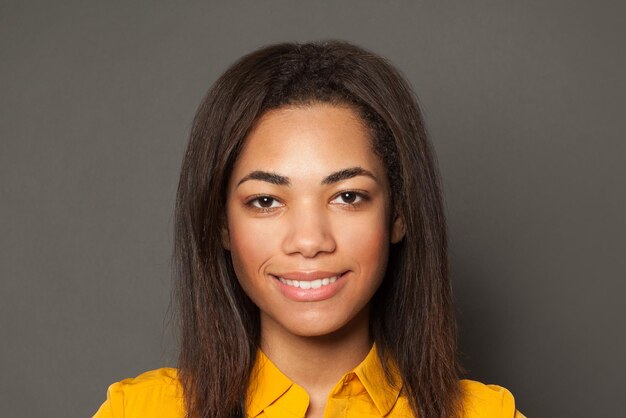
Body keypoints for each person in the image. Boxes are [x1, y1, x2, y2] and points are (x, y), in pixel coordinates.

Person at [93, 40, 525, 418]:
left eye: (348, 197)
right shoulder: (139, 411)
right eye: (265, 201)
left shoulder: (488, 414)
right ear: (220, 224)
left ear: (399, 214)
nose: (309, 241)